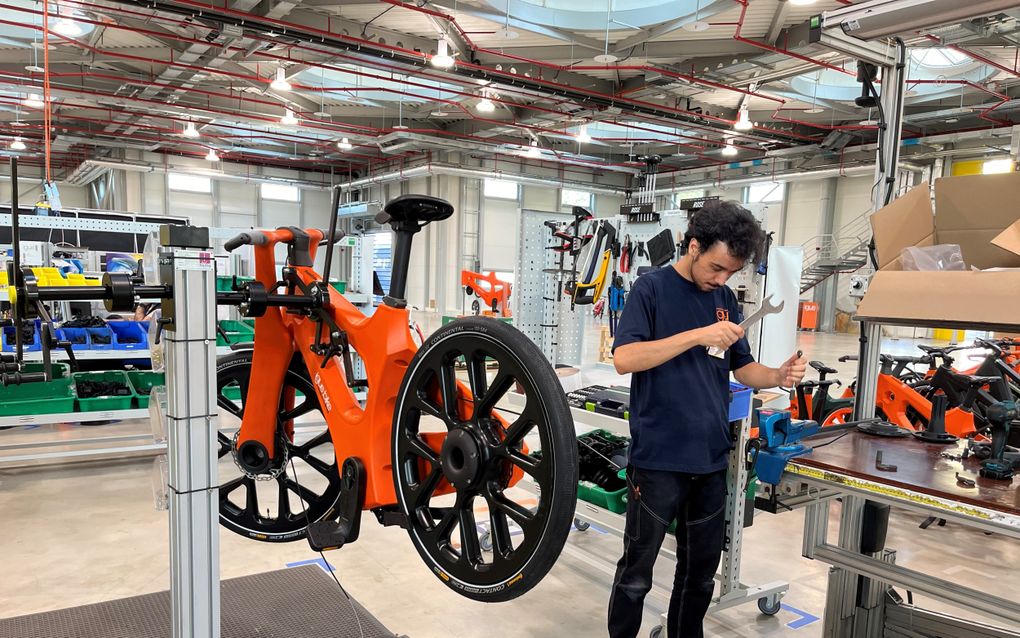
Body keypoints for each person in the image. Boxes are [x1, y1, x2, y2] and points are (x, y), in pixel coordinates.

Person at [607, 200, 807, 638]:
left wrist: (776, 374)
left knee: (698, 577)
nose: (721, 280)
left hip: (710, 460)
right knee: (636, 576)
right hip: (658, 460)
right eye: (716, 267)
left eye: (731, 273)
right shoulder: (651, 290)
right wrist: (698, 335)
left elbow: (742, 368)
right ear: (694, 246)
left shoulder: (724, 300)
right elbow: (626, 358)